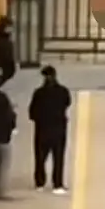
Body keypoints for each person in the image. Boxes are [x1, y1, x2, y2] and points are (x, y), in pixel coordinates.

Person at [29, 63, 72, 194]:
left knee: (40, 157)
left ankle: (40, 182)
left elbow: (32, 112)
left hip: (42, 129)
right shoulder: (63, 91)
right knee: (58, 157)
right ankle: (57, 184)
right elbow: (67, 103)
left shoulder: (39, 93)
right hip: (59, 129)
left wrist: (39, 119)